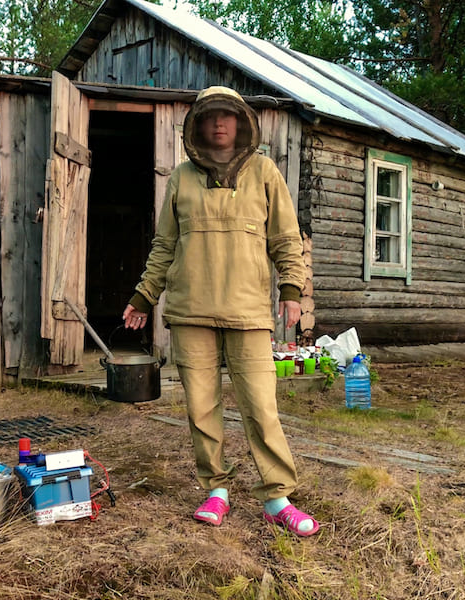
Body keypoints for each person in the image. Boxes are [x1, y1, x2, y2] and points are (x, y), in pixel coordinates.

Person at [122, 85, 319, 536]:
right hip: (191, 311)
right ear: (198, 126)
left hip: (249, 312)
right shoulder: (181, 178)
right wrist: (143, 297)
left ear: (242, 122)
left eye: (227, 115)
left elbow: (286, 238)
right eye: (210, 116)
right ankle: (216, 489)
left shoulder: (265, 171)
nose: (218, 123)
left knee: (260, 406)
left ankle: (277, 497)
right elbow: (164, 246)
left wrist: (291, 287)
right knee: (201, 407)